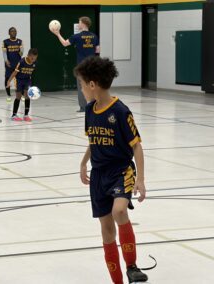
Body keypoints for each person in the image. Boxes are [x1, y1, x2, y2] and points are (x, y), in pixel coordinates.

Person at [75, 56, 148, 284]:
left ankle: (132, 266)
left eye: (81, 84)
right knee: (106, 229)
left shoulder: (120, 111)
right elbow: (93, 141)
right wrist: (83, 162)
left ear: (93, 85)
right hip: (98, 176)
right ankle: (117, 281)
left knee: (119, 212)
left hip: (120, 171)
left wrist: (141, 180)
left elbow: (136, 145)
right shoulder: (90, 110)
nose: (82, 89)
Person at [51, 16, 100, 112]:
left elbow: (65, 43)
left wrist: (58, 34)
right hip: (92, 65)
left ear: (83, 24)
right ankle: (94, 106)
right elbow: (97, 50)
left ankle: (83, 107)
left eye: (79, 22)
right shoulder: (94, 36)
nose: (78, 24)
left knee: (82, 87)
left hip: (81, 66)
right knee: (92, 86)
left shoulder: (77, 36)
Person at [6, 48, 38, 122]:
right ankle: (14, 115)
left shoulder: (34, 63)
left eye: (35, 58)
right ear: (28, 55)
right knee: (18, 96)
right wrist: (9, 81)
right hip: (19, 80)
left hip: (27, 80)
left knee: (27, 96)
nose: (33, 60)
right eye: (32, 58)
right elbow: (15, 72)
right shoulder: (22, 62)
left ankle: (26, 115)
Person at [2, 27, 24, 102]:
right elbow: (4, 52)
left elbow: (21, 52)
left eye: (15, 31)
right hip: (9, 64)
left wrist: (21, 51)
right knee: (7, 79)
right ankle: (8, 95)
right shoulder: (5, 42)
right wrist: (6, 60)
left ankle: (22, 95)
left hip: (18, 64)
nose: (14, 32)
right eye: (12, 31)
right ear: (9, 33)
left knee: (21, 79)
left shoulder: (20, 41)